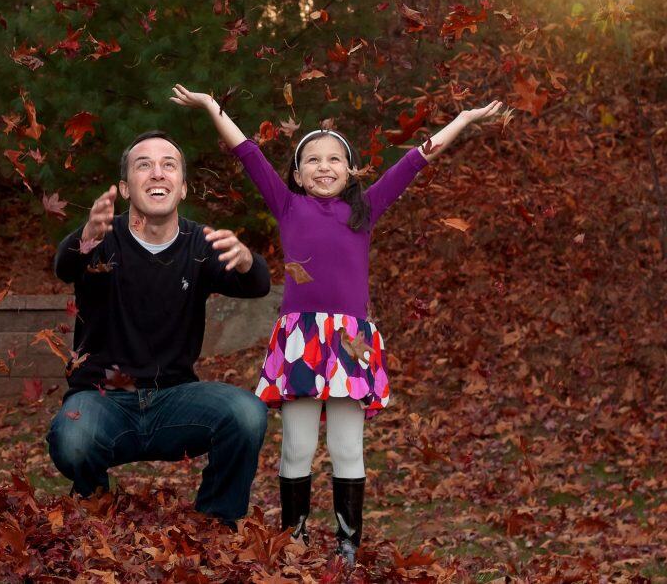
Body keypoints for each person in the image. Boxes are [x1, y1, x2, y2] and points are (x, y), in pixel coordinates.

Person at [171, 83, 502, 564]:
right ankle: (296, 542)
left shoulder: (364, 212)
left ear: (350, 172)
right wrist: (210, 106)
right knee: (298, 447)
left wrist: (464, 120)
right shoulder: (288, 206)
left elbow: (416, 159)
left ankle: (348, 548)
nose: (324, 167)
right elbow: (246, 151)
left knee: (349, 448)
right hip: (301, 340)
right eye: (313, 160)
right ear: (298, 175)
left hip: (350, 342)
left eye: (334, 160)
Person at [47, 130, 272, 525]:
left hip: (174, 399)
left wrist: (247, 261)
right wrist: (84, 237)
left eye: (169, 166)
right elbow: (64, 266)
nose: (157, 174)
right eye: (144, 165)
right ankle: (92, 503)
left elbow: (258, 286)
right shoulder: (102, 237)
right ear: (125, 187)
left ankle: (215, 521)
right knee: (74, 436)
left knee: (247, 413)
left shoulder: (200, 244)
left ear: (182, 187)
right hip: (103, 398)